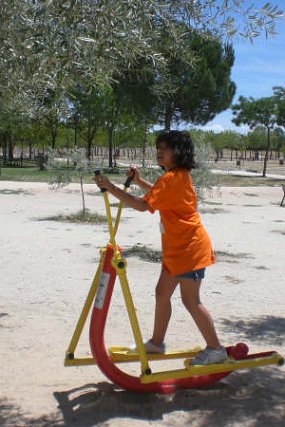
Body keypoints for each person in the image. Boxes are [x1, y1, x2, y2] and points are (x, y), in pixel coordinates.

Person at [94, 130, 227, 365]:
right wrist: (138, 182)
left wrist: (111, 187)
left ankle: (216, 349)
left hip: (189, 249)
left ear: (179, 152)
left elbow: (143, 206)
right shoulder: (176, 176)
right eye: (158, 148)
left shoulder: (173, 177)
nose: (160, 152)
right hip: (177, 249)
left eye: (165, 148)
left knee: (190, 300)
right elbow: (158, 194)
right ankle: (156, 343)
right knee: (162, 293)